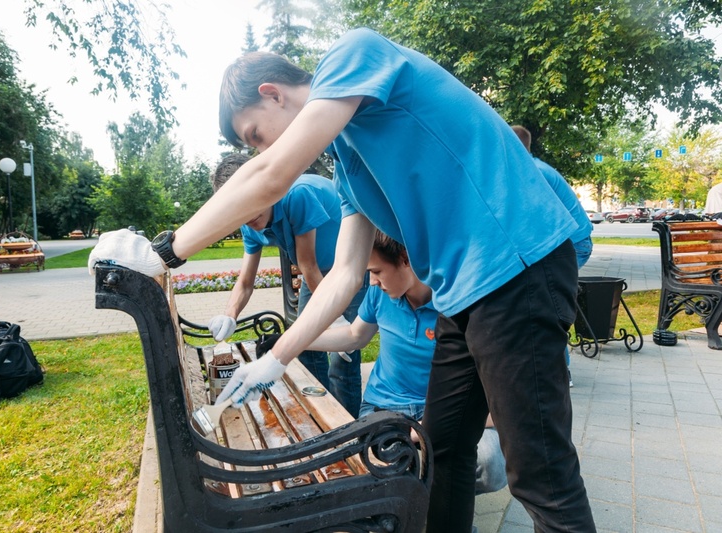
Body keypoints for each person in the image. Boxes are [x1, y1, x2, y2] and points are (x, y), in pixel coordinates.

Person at [89, 28, 595, 532]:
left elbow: (270, 175)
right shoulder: (350, 169)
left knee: (541, 477)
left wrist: (163, 254)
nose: (261, 150)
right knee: (443, 451)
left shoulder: (354, 54)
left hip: (516, 268)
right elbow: (343, 278)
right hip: (464, 295)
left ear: (274, 93)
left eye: (255, 136)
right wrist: (277, 357)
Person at [307, 232, 507, 500]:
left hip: (446, 412)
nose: (372, 281)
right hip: (385, 408)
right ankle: (429, 505)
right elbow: (355, 336)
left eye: (376, 271)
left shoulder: (457, 303)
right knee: (385, 466)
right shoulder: (380, 295)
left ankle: (441, 503)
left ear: (405, 259)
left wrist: (432, 426)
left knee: (491, 464)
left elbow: (502, 404)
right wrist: (293, 343)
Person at [207, 152, 366, 417]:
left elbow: (308, 266)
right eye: (239, 209)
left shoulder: (297, 195)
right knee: (304, 345)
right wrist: (229, 315)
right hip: (315, 273)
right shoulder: (249, 223)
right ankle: (322, 412)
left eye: (250, 202)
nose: (248, 217)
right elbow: (246, 282)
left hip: (349, 266)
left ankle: (348, 427)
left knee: (342, 354)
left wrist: (335, 318)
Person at [511, 125, 594, 386]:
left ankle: (559, 373)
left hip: (572, 246)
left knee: (543, 304)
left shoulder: (534, 174)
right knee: (538, 301)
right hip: (568, 243)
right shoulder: (532, 168)